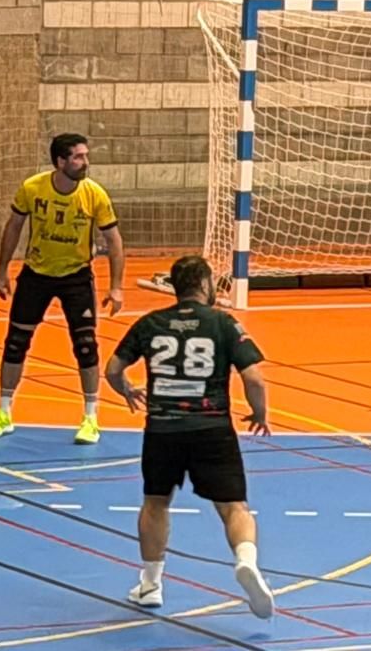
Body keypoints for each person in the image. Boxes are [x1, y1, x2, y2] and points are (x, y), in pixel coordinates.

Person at [103, 255, 274, 619]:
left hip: (162, 430)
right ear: (204, 284)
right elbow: (254, 378)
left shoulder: (150, 323)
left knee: (155, 503)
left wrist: (127, 390)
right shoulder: (223, 323)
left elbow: (113, 369)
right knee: (234, 507)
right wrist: (259, 413)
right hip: (212, 429)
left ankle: (151, 585)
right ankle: (246, 561)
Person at [0, 134, 125, 444]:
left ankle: (91, 418)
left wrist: (116, 287)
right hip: (36, 274)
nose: (85, 162)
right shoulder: (33, 188)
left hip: (76, 276)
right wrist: (2, 271)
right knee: (16, 342)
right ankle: (3, 412)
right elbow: (14, 226)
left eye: (86, 156)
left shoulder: (94, 194)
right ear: (61, 162)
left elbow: (114, 240)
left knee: (85, 345)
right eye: (78, 157)